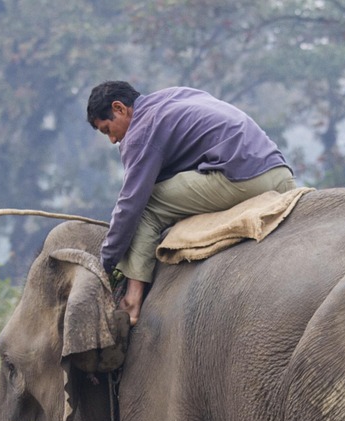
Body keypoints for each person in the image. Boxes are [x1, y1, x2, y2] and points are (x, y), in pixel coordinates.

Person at [87, 81, 297, 325]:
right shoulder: (175, 95)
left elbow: (131, 203)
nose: (113, 139)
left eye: (107, 129)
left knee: (147, 203)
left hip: (244, 178)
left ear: (120, 108)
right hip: (280, 174)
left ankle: (132, 300)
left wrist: (104, 264)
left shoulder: (140, 131)